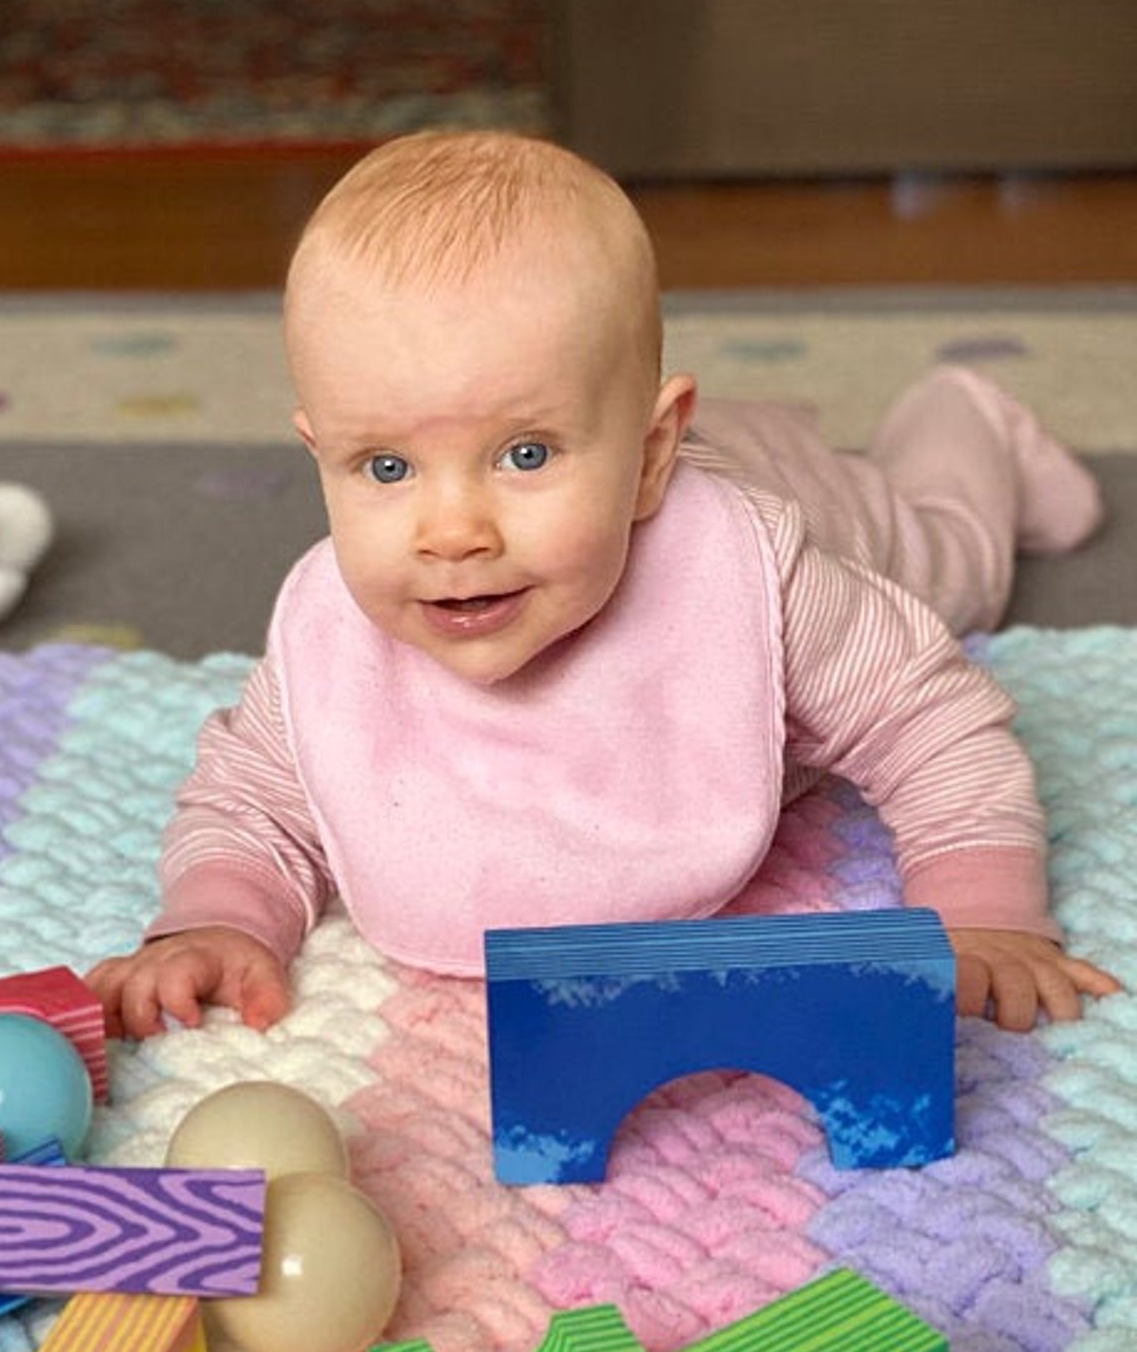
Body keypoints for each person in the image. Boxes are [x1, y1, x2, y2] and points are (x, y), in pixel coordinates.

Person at [86, 130, 1121, 1040]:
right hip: (657, 433)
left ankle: (963, 414)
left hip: (816, 501)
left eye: (525, 454)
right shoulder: (335, 627)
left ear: (652, 452)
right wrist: (215, 918)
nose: (452, 532)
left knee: (964, 564)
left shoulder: (761, 572)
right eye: (386, 468)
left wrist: (980, 909)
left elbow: (929, 720)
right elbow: (255, 798)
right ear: (321, 454)